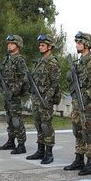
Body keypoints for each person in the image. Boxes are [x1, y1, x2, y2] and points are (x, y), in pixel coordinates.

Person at [63, 32, 91, 176]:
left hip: (88, 105)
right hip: (77, 103)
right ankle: (79, 159)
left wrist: (88, 94)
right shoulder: (79, 62)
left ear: (86, 44)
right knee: (77, 131)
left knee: (88, 133)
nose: (77, 45)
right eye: (77, 42)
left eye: (79, 42)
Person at [25, 34, 61, 164]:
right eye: (40, 45)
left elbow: (55, 83)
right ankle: (40, 151)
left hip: (45, 99)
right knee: (38, 125)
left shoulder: (52, 62)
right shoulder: (39, 61)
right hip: (36, 98)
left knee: (46, 126)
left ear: (50, 47)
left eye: (43, 45)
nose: (40, 47)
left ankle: (49, 153)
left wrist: (47, 99)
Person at [0, 34, 29, 155]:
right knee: (9, 119)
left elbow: (24, 77)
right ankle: (11, 141)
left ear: (18, 45)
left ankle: (21, 144)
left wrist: (14, 91)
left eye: (12, 44)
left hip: (14, 95)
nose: (9, 45)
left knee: (16, 120)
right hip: (7, 94)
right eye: (8, 43)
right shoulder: (7, 59)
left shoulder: (19, 60)